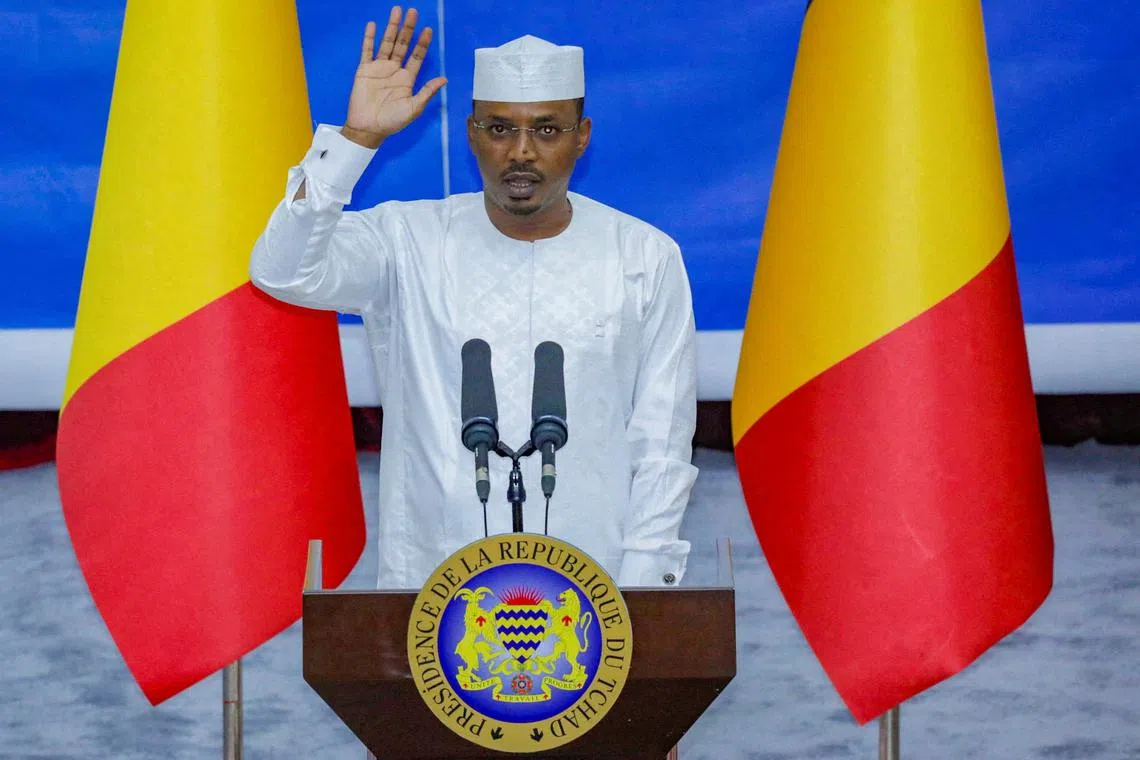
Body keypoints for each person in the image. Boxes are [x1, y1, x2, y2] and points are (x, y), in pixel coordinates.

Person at [250, 6, 697, 589]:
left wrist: (641, 594)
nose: (521, 151)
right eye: (499, 128)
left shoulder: (644, 256)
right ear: (472, 134)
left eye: (546, 129)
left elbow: (660, 442)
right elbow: (282, 272)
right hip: (431, 600)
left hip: (596, 597)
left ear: (581, 137)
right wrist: (356, 141)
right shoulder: (404, 240)